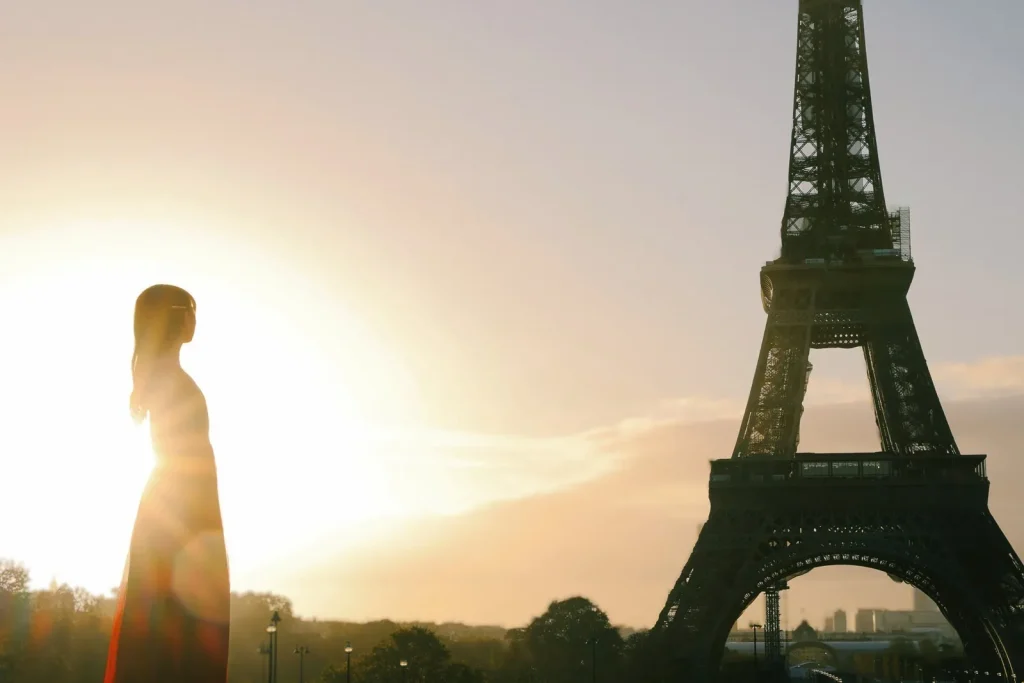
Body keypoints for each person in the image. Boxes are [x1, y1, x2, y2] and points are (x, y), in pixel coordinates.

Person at [104, 284, 230, 683]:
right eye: (192, 311)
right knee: (180, 620)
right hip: (182, 507)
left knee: (177, 622)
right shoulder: (168, 377)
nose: (197, 320)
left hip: (182, 502)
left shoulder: (162, 374)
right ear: (178, 318)